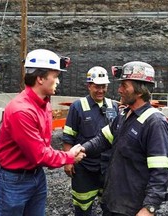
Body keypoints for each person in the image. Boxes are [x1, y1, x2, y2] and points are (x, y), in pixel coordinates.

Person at [0, 49, 86, 216]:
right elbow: (39, 155)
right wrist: (69, 156)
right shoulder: (22, 111)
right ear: (40, 78)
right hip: (14, 181)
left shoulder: (44, 102)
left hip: (36, 175)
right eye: (55, 77)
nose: (58, 82)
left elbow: (42, 147)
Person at [82, 61, 168, 216]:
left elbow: (160, 171)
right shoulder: (124, 115)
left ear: (139, 91)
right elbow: (103, 139)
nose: (119, 90)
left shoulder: (154, 123)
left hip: (132, 209)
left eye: (124, 86)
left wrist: (149, 208)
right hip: (112, 202)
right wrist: (83, 148)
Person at [62, 66, 118, 216]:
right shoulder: (78, 107)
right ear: (89, 86)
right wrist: (68, 161)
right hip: (84, 169)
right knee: (83, 208)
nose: (100, 90)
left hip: (107, 169)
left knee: (110, 208)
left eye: (104, 86)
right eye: (96, 87)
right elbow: (68, 136)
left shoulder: (115, 106)